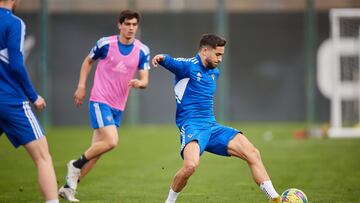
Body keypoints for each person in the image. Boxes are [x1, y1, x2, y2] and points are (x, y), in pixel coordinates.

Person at [152, 34, 282, 203]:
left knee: (253, 153)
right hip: (192, 126)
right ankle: (169, 201)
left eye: (222, 55)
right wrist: (160, 58)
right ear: (205, 51)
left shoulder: (214, 72)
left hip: (211, 127)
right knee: (190, 166)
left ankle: (276, 199)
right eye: (218, 54)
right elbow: (171, 61)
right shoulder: (188, 67)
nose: (220, 59)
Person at [58, 10, 150, 202]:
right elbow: (88, 61)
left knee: (97, 151)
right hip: (100, 100)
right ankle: (75, 164)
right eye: (127, 24)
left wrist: (139, 83)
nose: (131, 28)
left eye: (134, 24)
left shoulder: (143, 50)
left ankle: (68, 188)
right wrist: (81, 86)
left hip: (119, 105)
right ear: (119, 25)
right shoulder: (105, 43)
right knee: (111, 141)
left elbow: (145, 79)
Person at [0, 0, 59, 203]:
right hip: (10, 101)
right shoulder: (14, 23)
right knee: (43, 157)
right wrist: (33, 96)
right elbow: (16, 65)